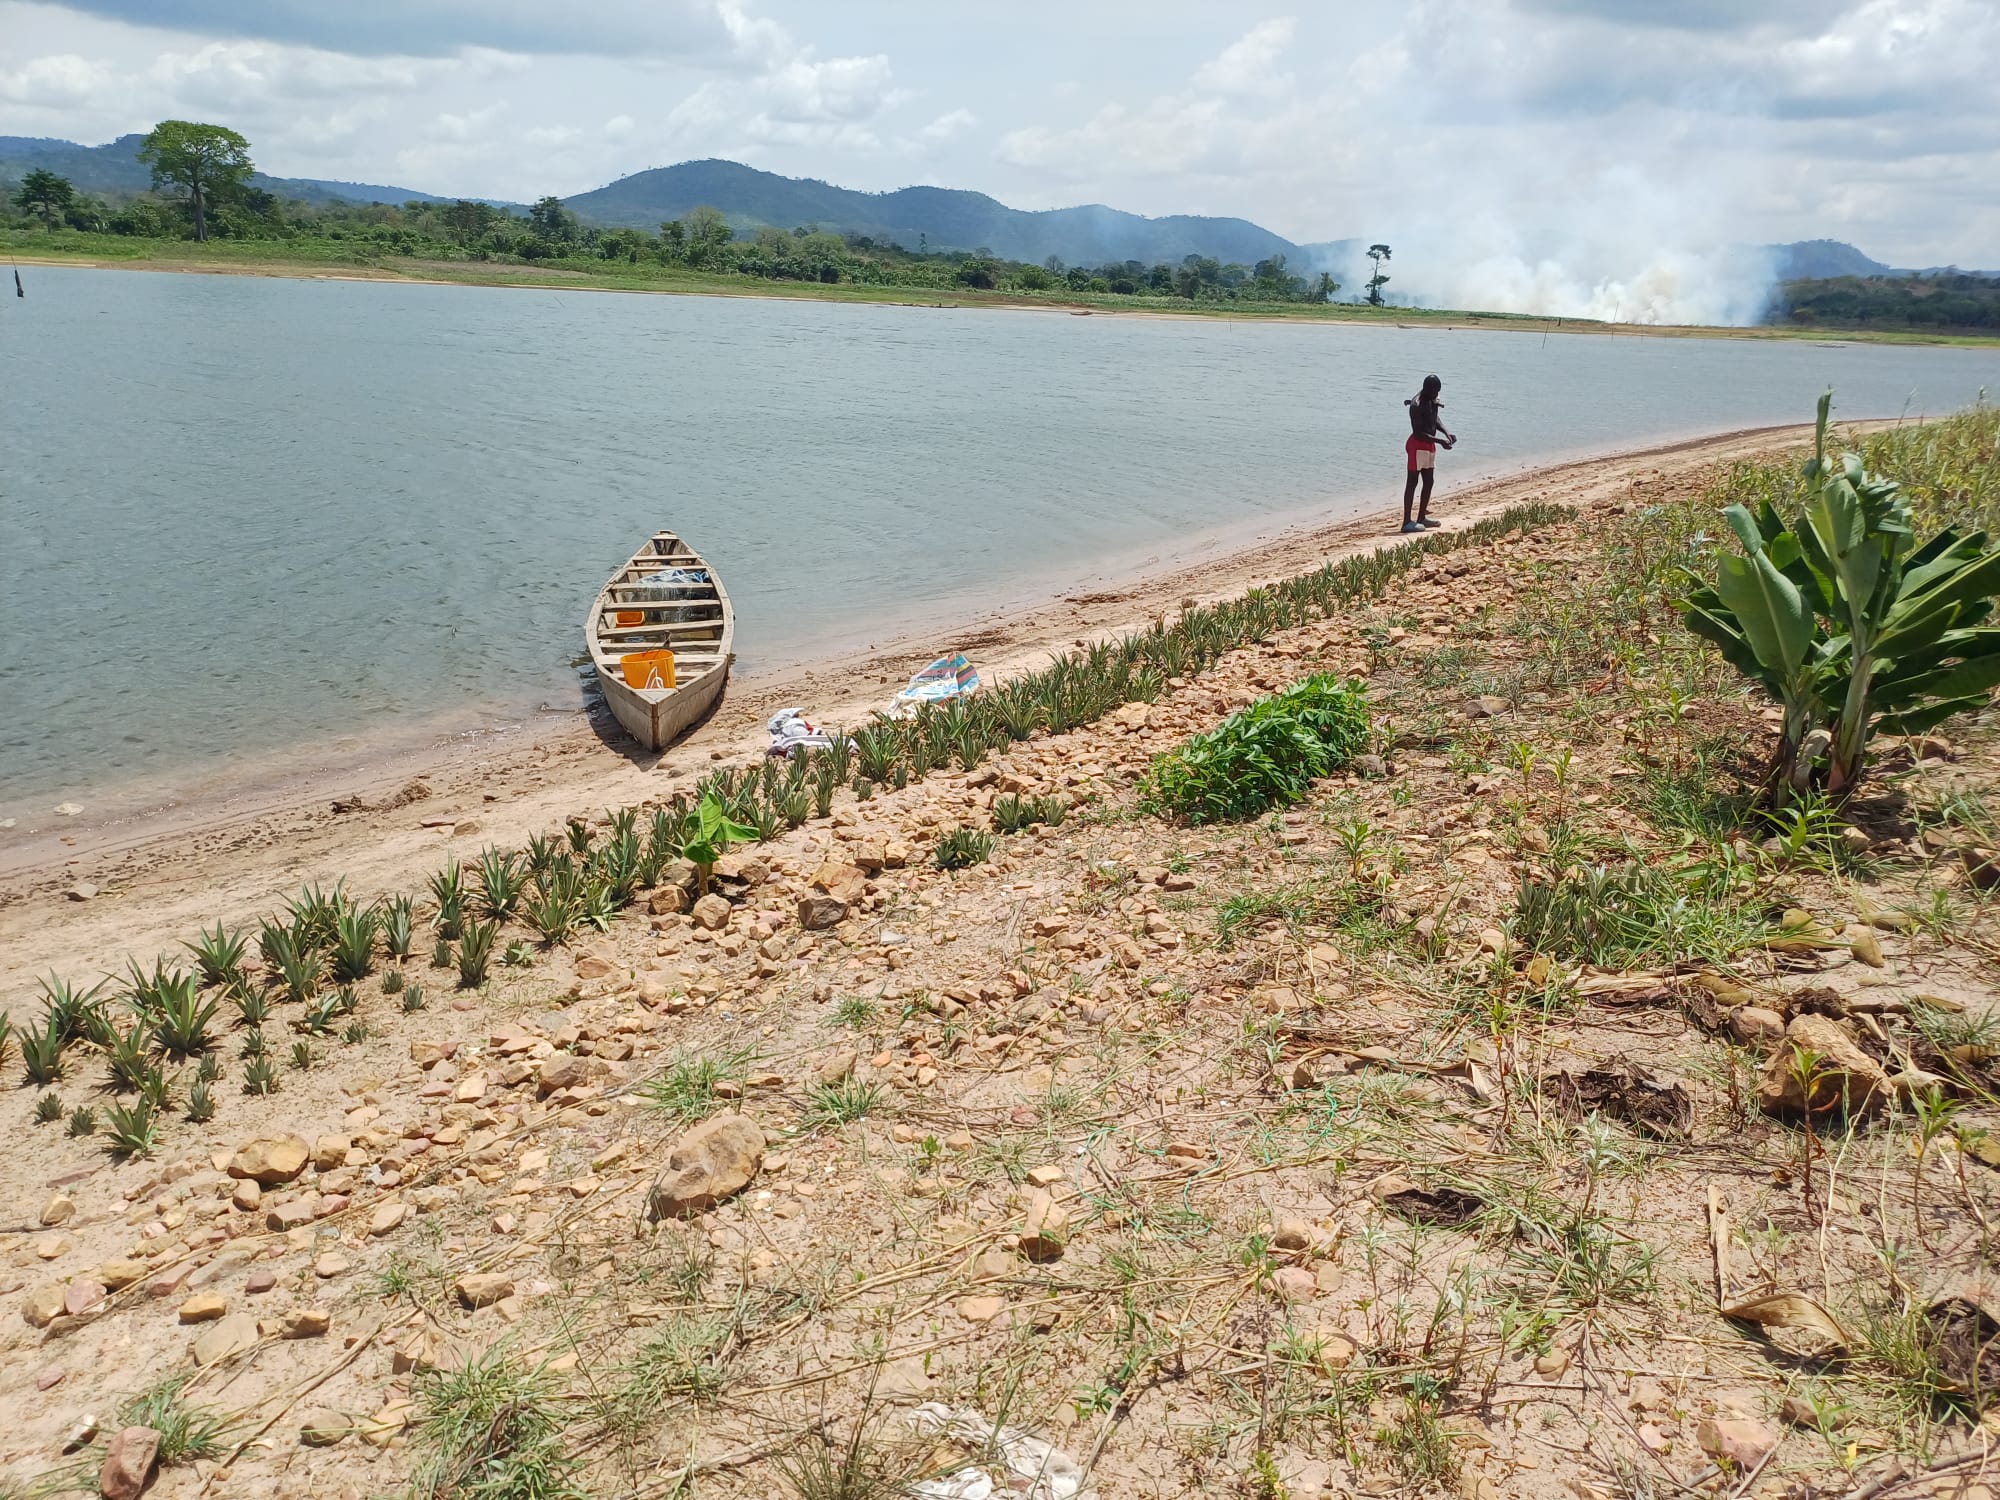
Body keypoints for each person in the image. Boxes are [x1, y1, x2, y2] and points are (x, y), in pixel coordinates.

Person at [1401, 374, 1456, 533]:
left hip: (1429, 446)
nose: (1437, 395)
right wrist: (1440, 442)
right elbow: (1418, 433)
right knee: (1412, 483)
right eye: (1435, 391)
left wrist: (1446, 433)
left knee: (1429, 481)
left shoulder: (1431, 398)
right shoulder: (1416, 404)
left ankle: (1421, 517)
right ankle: (1406, 522)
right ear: (1428, 389)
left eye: (1439, 391)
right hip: (1417, 446)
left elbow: (1434, 417)